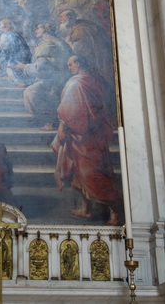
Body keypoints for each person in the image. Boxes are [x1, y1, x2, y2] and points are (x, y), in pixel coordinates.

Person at [52, 55, 121, 224]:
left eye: (71, 64)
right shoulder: (96, 80)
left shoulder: (76, 83)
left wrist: (62, 127)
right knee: (79, 172)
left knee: (93, 174)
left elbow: (70, 111)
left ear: (79, 63)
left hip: (85, 136)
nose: (69, 67)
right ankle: (85, 208)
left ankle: (115, 213)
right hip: (89, 133)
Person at [11, 23, 72, 130]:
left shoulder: (48, 45)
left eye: (38, 28)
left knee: (31, 93)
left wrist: (23, 67)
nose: (36, 30)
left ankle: (50, 121)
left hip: (55, 81)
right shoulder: (57, 42)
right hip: (60, 78)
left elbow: (41, 69)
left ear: (45, 30)